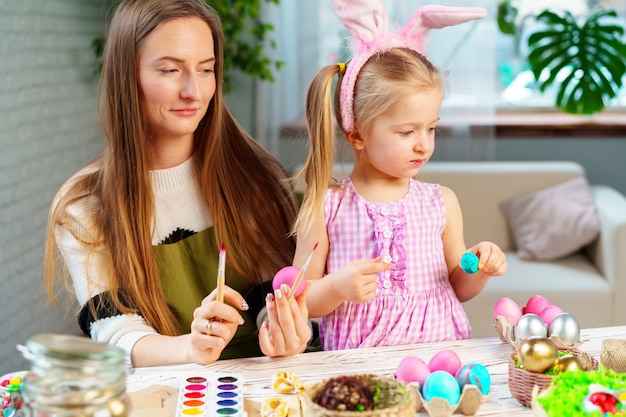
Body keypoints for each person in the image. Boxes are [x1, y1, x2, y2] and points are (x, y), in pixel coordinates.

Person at [43, 0, 310, 367]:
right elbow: (116, 331)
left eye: (206, 69)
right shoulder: (84, 203)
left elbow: (275, 295)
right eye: (170, 70)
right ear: (127, 75)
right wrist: (189, 349)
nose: (194, 91)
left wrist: (283, 331)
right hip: (164, 392)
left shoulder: (256, 175)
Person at [292, 0, 507, 351]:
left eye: (431, 129)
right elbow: (300, 297)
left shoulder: (441, 202)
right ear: (357, 134)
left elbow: (458, 287)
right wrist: (337, 287)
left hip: (439, 359)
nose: (423, 145)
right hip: (359, 367)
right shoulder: (326, 207)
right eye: (407, 132)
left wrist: (479, 268)